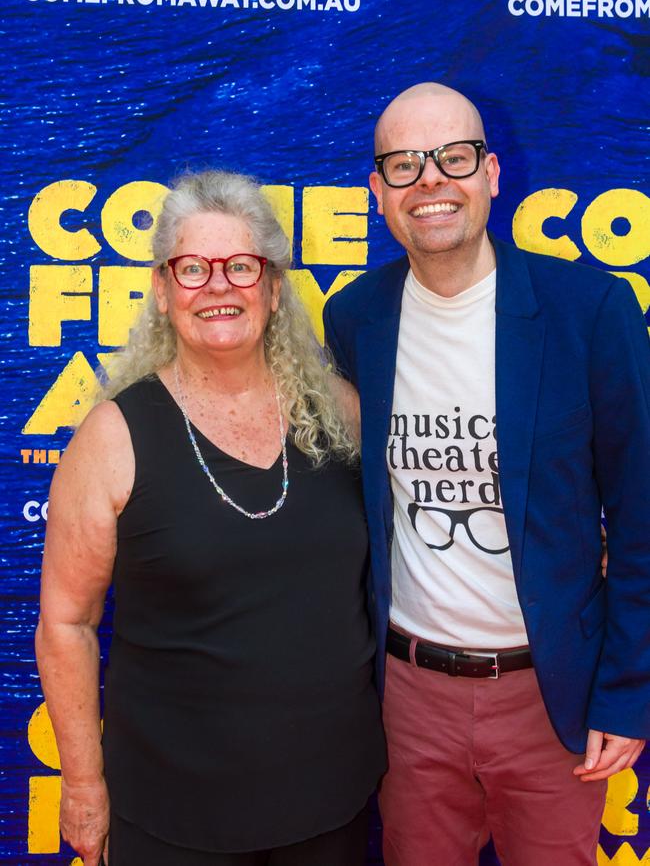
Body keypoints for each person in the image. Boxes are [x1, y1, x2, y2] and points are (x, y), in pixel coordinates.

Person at [323, 82, 650, 865]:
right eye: (404, 165)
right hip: (407, 698)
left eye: (454, 158)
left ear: (493, 173)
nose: (430, 180)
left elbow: (641, 511)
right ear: (378, 193)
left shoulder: (591, 309)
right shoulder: (354, 318)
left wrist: (627, 690)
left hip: (553, 698)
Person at [35, 170, 386, 866]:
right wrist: (81, 784)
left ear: (274, 287)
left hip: (332, 800)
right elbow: (65, 622)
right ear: (162, 292)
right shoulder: (113, 436)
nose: (219, 285)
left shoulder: (341, 413)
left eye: (242, 266)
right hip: (173, 814)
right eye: (193, 268)